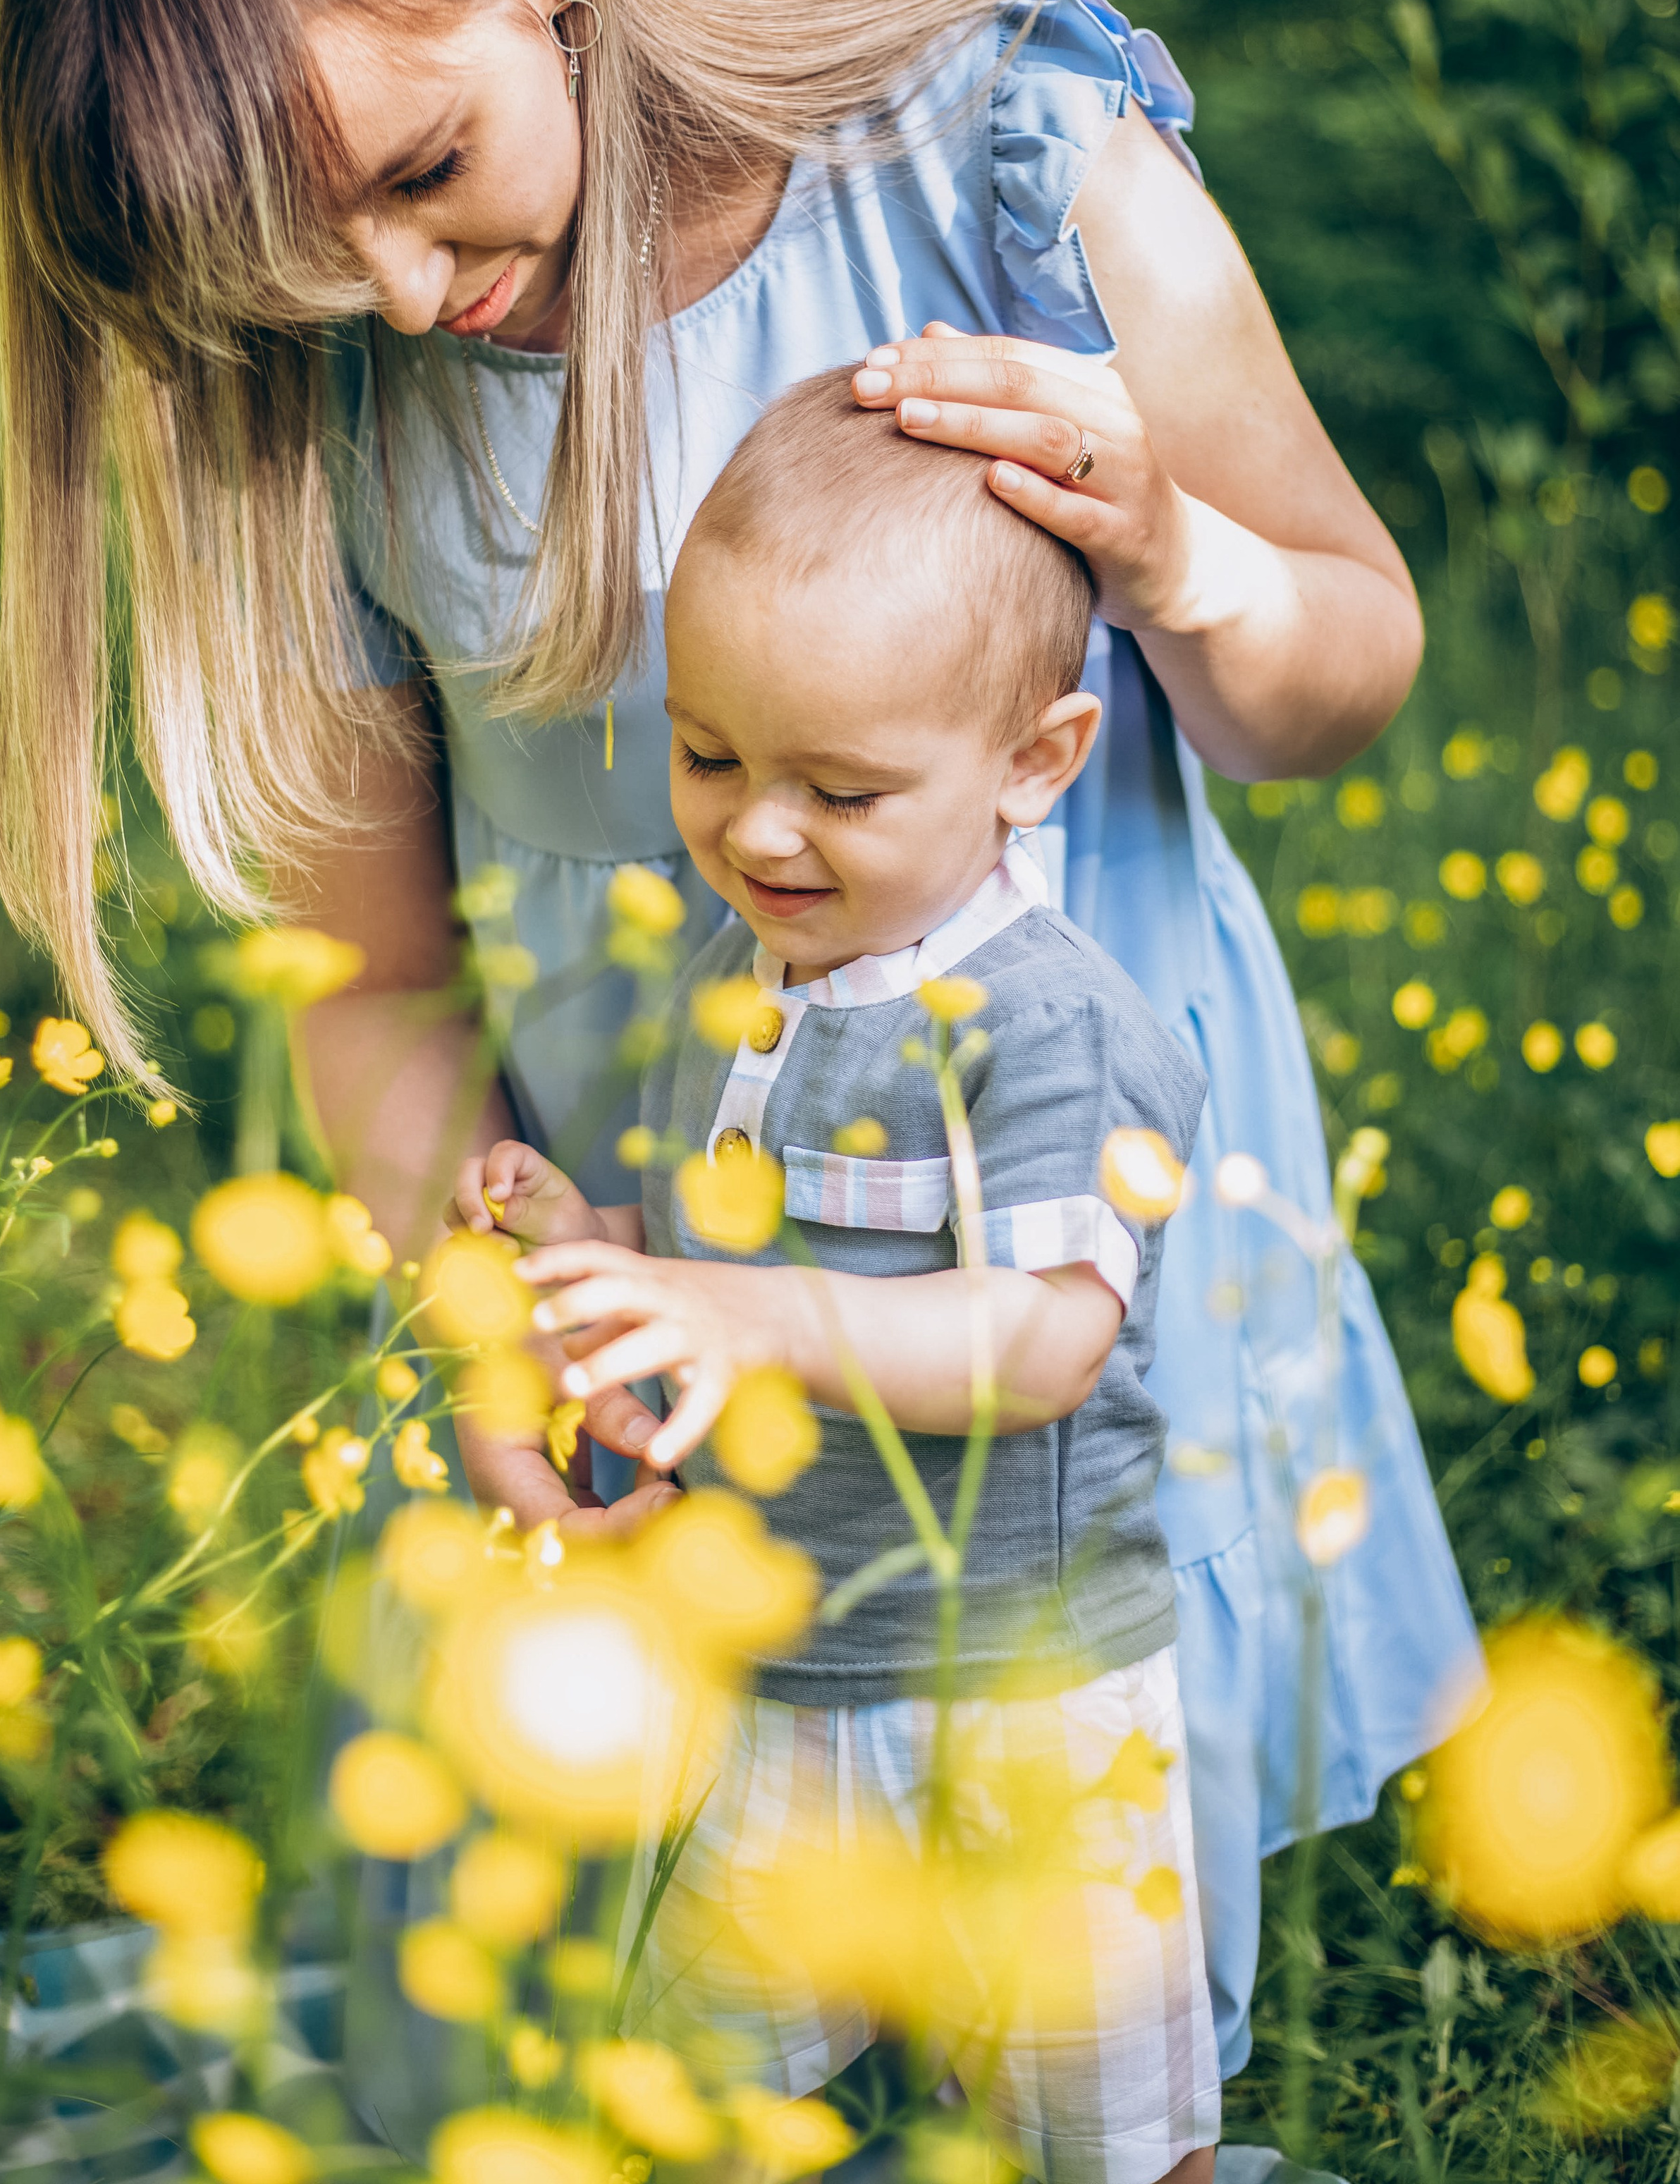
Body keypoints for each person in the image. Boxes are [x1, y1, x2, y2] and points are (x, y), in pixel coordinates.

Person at [0, 0, 1476, 2088]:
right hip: (644, 1331)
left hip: (1043, 1273)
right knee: (656, 2036)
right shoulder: (327, 395)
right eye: (297, 266)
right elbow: (370, 980)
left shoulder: (1004, 165)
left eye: (425, 169)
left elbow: (1349, 669)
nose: (389, 293)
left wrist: (1179, 552)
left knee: (1056, 2002)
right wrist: (490, 1295)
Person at [451, 368, 1219, 2184]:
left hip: (1018, 1687)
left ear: (1034, 763)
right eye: (709, 756)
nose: (759, 831)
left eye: (842, 787)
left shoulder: (1045, 1030)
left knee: (1092, 2108)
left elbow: (1044, 1340)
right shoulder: (744, 977)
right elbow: (736, 1262)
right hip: (774, 1667)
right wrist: (595, 1255)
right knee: (709, 2094)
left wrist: (753, 1316)